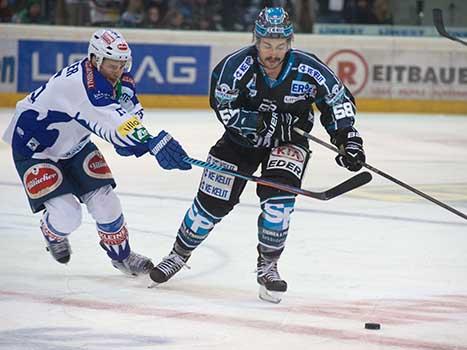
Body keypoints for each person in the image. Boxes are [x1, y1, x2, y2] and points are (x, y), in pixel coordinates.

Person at [149, 7, 365, 303]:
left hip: (288, 143)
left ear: (290, 42)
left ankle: (269, 266)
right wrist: (262, 122)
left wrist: (348, 138)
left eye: (280, 46)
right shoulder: (235, 66)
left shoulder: (309, 67)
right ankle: (178, 254)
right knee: (209, 205)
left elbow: (336, 100)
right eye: (267, 45)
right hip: (240, 142)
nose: (273, 53)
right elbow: (223, 106)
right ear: (256, 40)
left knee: (279, 203)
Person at [2, 29, 191, 276]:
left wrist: (137, 141)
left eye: (123, 65)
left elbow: (128, 114)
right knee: (68, 215)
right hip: (36, 150)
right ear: (95, 59)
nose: (118, 72)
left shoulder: (118, 79)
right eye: (113, 66)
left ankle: (122, 258)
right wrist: (148, 142)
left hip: (76, 146)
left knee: (106, 203)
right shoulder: (78, 86)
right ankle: (51, 232)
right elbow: (109, 118)